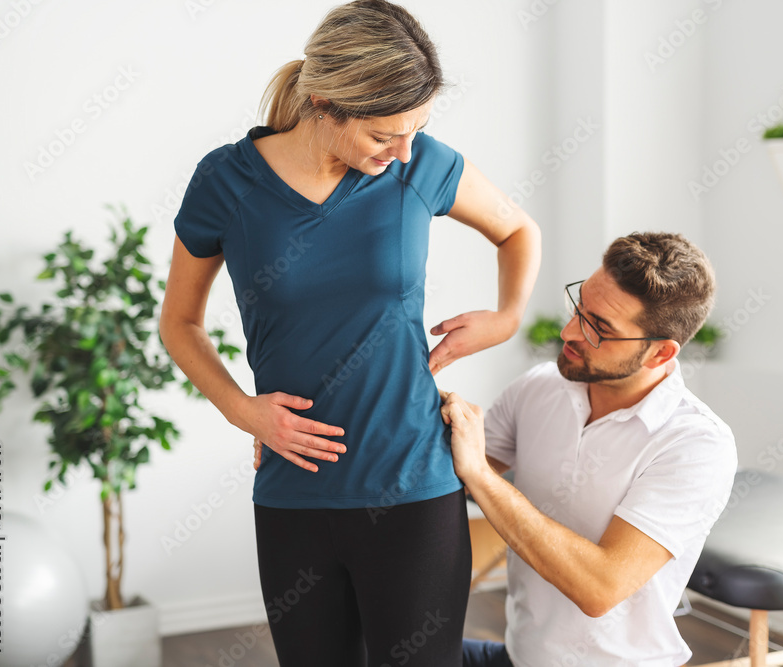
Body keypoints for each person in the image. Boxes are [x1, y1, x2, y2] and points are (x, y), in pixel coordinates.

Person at [159, 1, 541, 664]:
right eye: (384, 135)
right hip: (294, 494)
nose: (403, 151)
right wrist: (243, 410)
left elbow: (517, 230)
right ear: (324, 102)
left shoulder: (419, 168)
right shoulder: (226, 182)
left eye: (416, 130)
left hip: (415, 486)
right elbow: (179, 321)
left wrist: (505, 317)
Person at [439, 232, 737, 667]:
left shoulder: (696, 445)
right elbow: (451, 466)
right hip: (519, 658)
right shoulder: (541, 386)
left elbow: (599, 588)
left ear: (659, 354)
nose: (569, 332)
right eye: (578, 307)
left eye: (599, 328)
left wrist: (481, 477)